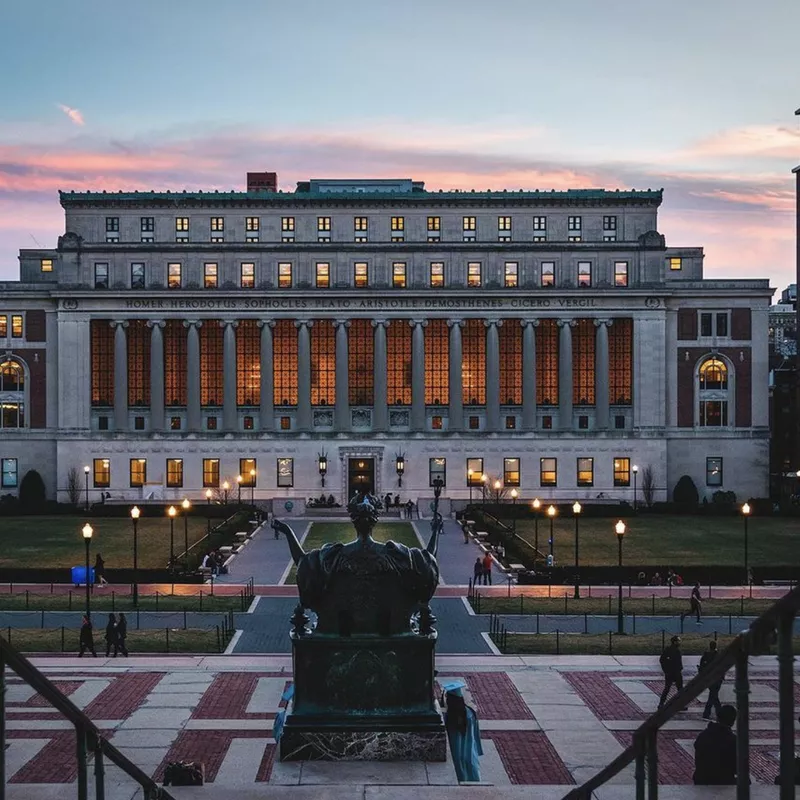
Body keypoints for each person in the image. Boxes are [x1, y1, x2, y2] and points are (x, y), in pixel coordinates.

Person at [442, 680, 482, 782]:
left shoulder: (449, 717)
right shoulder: (470, 713)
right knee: (472, 771)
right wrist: (477, 749)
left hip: (456, 751)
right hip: (469, 750)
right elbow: (476, 733)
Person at [693, 704, 737, 785]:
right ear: (732, 722)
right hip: (723, 780)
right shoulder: (733, 740)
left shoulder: (703, 735)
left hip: (701, 778)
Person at [699, 640, 724, 720]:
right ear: (716, 646)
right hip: (717, 678)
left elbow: (701, 667)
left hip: (708, 678)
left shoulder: (705, 656)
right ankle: (709, 713)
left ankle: (716, 713)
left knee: (713, 695)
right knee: (713, 696)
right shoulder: (719, 656)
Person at [658, 635, 683, 709]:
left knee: (679, 689)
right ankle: (661, 703)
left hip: (676, 672)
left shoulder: (676, 650)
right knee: (668, 688)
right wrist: (666, 670)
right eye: (678, 641)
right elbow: (662, 660)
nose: (679, 642)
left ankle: (680, 704)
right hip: (671, 672)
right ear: (674, 642)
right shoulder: (669, 650)